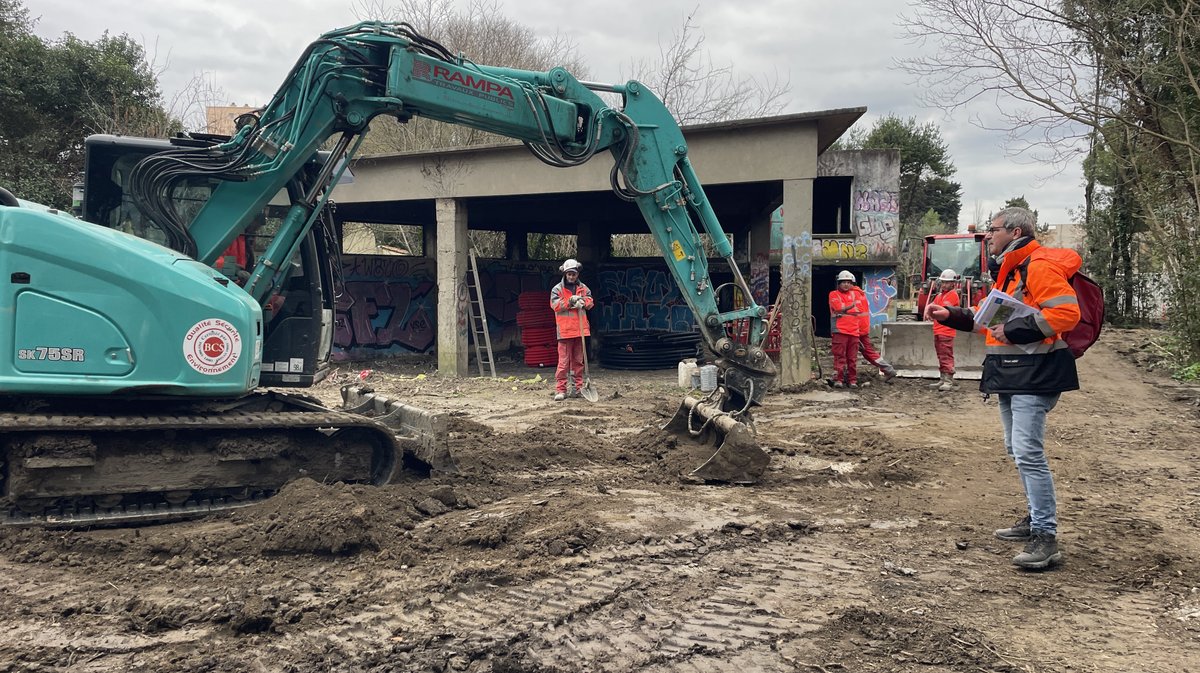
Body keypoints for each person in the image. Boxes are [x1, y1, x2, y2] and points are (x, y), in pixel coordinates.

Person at [925, 207, 1081, 570]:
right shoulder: (1012, 272)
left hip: (1035, 372)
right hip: (1011, 373)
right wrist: (956, 316)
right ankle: (1034, 520)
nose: (988, 236)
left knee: (1027, 451)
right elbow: (991, 320)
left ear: (1014, 231)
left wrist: (1013, 331)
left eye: (992, 230)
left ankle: (1046, 536)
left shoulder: (1038, 266)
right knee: (1016, 448)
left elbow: (1065, 314)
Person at [549, 258, 594, 401]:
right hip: (565, 331)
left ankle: (578, 388)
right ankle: (561, 389)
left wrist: (583, 301)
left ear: (577, 274)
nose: (571, 276)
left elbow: (590, 302)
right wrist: (570, 301)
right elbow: (554, 305)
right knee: (563, 362)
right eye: (569, 274)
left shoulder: (584, 288)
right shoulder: (557, 289)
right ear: (565, 274)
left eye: (573, 274)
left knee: (578, 362)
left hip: (580, 330)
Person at [851, 283, 897, 384]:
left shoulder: (852, 295)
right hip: (863, 328)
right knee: (869, 353)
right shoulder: (861, 294)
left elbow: (853, 314)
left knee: (850, 354)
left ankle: (849, 378)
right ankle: (888, 369)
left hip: (855, 330)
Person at [828, 270, 862, 388]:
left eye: (848, 282)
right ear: (839, 283)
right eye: (843, 282)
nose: (846, 284)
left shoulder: (855, 295)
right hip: (840, 331)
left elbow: (860, 310)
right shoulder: (833, 294)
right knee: (839, 357)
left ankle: (852, 380)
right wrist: (850, 307)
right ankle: (839, 379)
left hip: (854, 332)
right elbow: (837, 308)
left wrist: (845, 309)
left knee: (852, 358)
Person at [929, 269, 960, 392]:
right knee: (941, 355)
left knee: (946, 355)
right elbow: (933, 307)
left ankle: (948, 380)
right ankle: (943, 378)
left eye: (947, 282)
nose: (944, 285)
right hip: (938, 330)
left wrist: (932, 311)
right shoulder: (939, 296)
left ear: (953, 283)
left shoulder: (952, 295)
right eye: (942, 282)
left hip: (946, 331)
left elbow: (943, 310)